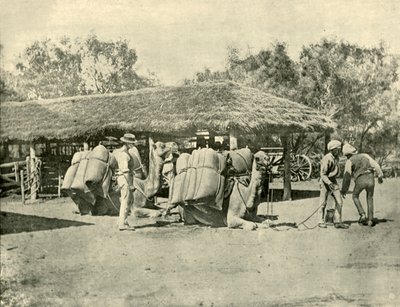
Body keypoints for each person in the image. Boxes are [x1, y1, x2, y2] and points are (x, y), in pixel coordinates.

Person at [340, 144, 383, 227]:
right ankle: (370, 220)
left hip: (360, 179)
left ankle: (362, 214)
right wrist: (380, 176)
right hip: (371, 178)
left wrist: (344, 190)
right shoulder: (365, 155)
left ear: (347, 155)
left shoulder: (349, 161)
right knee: (370, 197)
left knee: (355, 196)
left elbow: (347, 177)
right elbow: (376, 166)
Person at [318, 140, 349, 229]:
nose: (339, 151)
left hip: (333, 181)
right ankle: (320, 221)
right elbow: (323, 174)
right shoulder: (327, 158)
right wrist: (329, 183)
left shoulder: (336, 158)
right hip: (325, 181)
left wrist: (332, 182)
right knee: (323, 203)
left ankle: (338, 221)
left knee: (339, 201)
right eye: (338, 149)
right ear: (333, 149)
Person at [113, 133, 142, 231]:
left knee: (128, 201)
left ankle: (122, 221)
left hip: (126, 178)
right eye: (131, 143)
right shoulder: (124, 155)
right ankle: (122, 224)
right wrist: (130, 184)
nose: (133, 145)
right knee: (125, 201)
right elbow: (125, 171)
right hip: (124, 179)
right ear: (126, 143)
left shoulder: (126, 153)